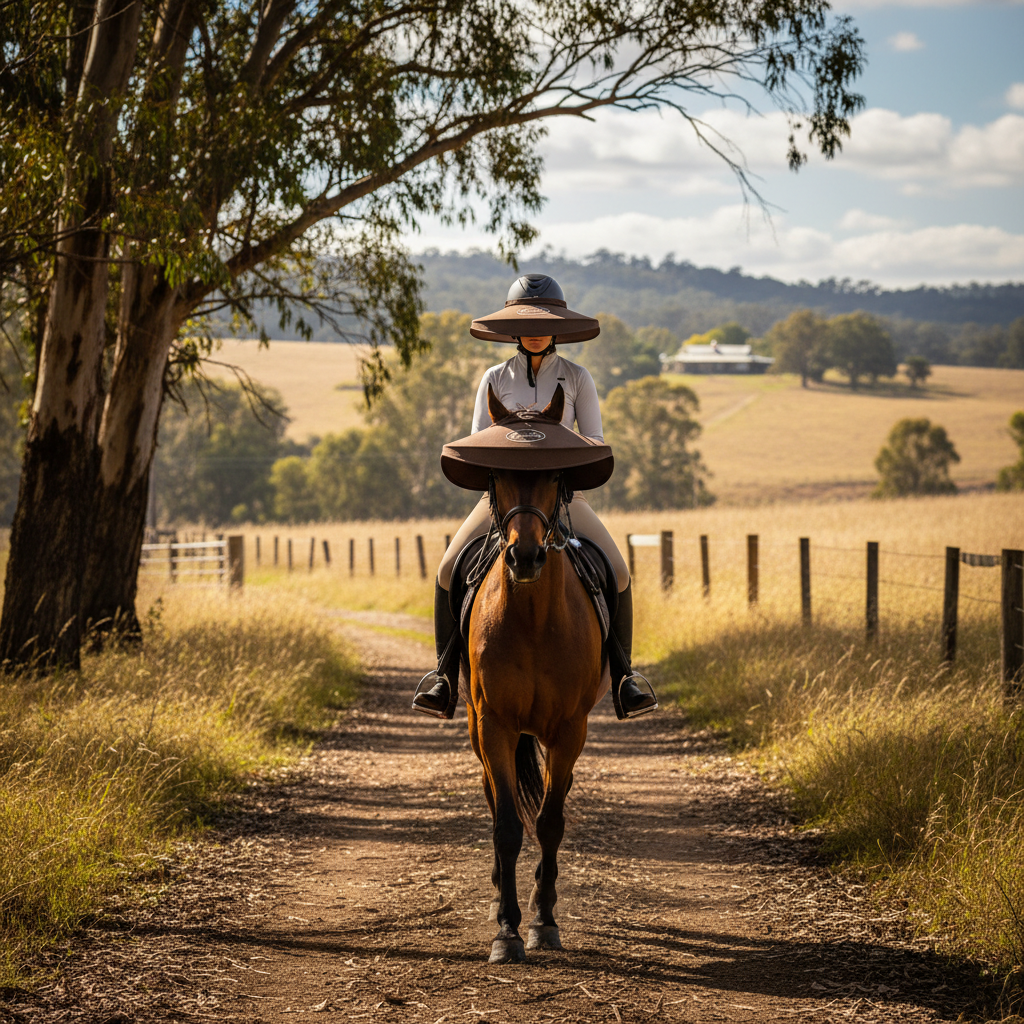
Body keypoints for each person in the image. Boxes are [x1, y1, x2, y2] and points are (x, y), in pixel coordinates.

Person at [412, 274, 658, 720]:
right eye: (526, 322)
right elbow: (479, 441)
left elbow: (595, 439)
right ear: (512, 329)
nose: (536, 330)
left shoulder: (578, 378)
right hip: (502, 501)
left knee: (618, 571)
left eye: (545, 322)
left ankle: (625, 678)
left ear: (559, 326)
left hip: (564, 497)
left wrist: (553, 449)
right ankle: (444, 676)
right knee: (449, 567)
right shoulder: (494, 378)